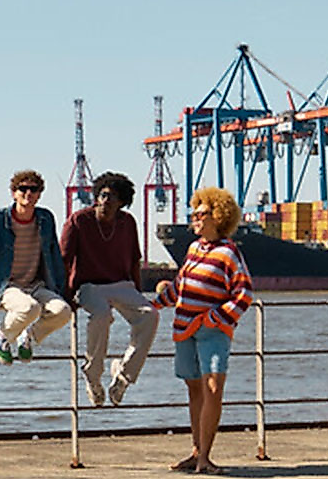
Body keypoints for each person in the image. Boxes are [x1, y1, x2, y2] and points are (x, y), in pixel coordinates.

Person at [154, 187, 252, 475]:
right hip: (184, 328)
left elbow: (244, 293)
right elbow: (179, 287)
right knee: (194, 389)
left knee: (213, 389)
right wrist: (153, 306)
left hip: (212, 332)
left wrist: (217, 317)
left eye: (201, 214)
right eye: (194, 213)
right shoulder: (194, 248)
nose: (194, 219)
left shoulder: (229, 253)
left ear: (218, 216)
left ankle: (206, 458)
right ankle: (196, 452)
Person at [0, 170, 72, 365]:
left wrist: (61, 291)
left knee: (63, 312)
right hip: (6, 286)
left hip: (36, 285)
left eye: (33, 189)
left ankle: (28, 337)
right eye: (22, 189)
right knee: (30, 308)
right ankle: (0, 335)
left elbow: (54, 256)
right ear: (13, 193)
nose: (28, 193)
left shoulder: (45, 219)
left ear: (39, 194)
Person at [61, 172, 156, 405]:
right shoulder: (78, 220)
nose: (105, 201)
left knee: (150, 315)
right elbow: (63, 259)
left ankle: (123, 376)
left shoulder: (128, 222)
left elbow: (135, 259)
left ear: (122, 202)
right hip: (89, 286)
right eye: (102, 195)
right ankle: (93, 377)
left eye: (112, 197)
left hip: (122, 285)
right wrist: (66, 296)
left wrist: (138, 293)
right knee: (102, 315)